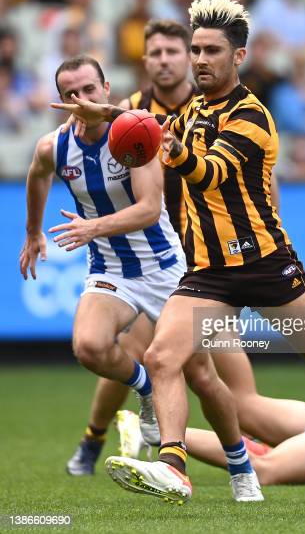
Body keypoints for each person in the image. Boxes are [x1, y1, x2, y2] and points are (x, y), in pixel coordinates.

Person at [51, 0, 305, 506]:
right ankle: (173, 467)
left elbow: (210, 174)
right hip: (209, 274)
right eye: (196, 50)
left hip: (267, 269)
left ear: (238, 57)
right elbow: (156, 129)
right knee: (162, 357)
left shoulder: (253, 116)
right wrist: (111, 112)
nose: (200, 60)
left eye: (211, 51)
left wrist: (165, 142)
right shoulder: (192, 110)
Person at [20, 54, 187, 474]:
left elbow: (150, 209)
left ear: (107, 88)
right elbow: (38, 174)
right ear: (60, 101)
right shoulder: (55, 146)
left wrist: (92, 227)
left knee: (205, 373)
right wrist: (33, 231)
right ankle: (152, 427)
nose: (81, 99)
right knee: (93, 347)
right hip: (111, 271)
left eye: (89, 89)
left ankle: (242, 465)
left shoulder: (133, 132)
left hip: (167, 267)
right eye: (69, 94)